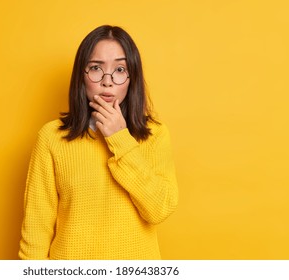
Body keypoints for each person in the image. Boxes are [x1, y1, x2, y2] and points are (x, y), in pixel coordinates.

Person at [19, 25, 178, 260]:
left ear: (131, 78)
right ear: (80, 77)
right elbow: (36, 229)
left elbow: (160, 208)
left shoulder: (154, 134)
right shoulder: (51, 138)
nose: (107, 81)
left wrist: (120, 139)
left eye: (120, 69)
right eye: (95, 68)